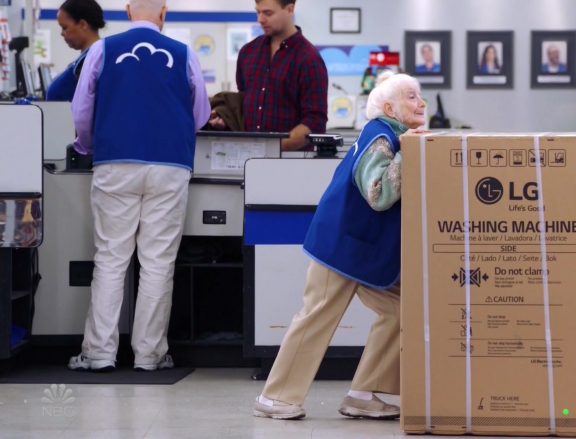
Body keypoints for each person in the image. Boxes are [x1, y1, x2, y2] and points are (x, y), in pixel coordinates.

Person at [252, 72, 427, 420]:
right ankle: (275, 398)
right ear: (389, 107)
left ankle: (365, 393)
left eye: (420, 96)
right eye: (411, 96)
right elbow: (379, 193)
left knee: (402, 310)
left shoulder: (396, 136)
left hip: (363, 250)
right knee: (317, 315)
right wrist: (411, 151)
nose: (421, 102)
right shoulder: (381, 134)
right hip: (342, 246)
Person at [67, 0, 210, 372]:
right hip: (170, 166)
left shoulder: (101, 49)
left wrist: (87, 145)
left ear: (129, 11)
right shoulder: (183, 54)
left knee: (111, 259)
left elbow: (82, 109)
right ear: (163, 13)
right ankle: (150, 355)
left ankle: (99, 353)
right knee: (158, 263)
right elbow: (201, 113)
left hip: (115, 162)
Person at [210, 0, 328, 151]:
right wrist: (227, 120)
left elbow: (315, 121)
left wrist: (272, 148)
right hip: (247, 159)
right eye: (258, 12)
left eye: (268, 13)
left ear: (290, 10)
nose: (260, 19)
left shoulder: (309, 59)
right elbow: (243, 101)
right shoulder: (248, 52)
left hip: (291, 162)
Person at [46, 0, 104, 101]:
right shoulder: (84, 60)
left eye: (65, 27)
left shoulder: (93, 61)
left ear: (82, 25)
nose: (62, 33)